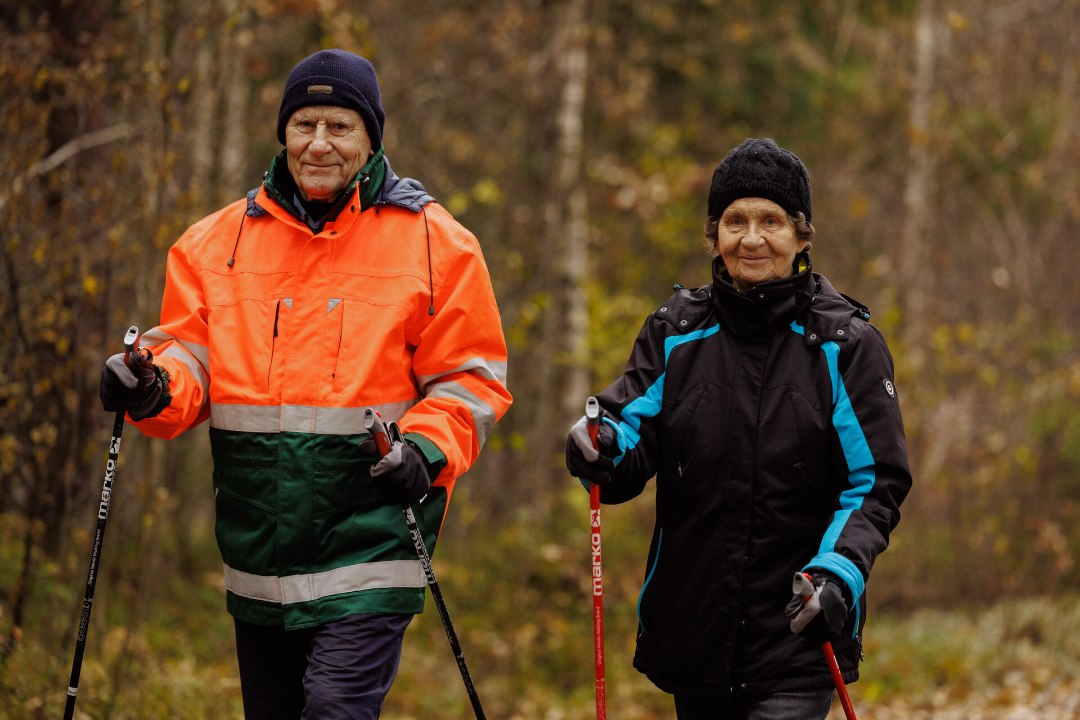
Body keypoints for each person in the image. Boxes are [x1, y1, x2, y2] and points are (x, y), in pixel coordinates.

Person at [99, 48, 512, 719]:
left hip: (371, 543)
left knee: (332, 710)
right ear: (283, 134)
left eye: (339, 126)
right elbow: (189, 355)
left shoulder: (439, 244)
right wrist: (149, 382)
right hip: (259, 553)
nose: (319, 143)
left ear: (371, 138)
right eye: (304, 125)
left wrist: (425, 450)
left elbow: (469, 381)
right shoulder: (214, 245)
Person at [565, 138, 911, 719]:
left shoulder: (845, 345)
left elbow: (876, 483)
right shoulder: (674, 331)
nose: (752, 238)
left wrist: (838, 574)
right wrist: (597, 445)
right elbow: (626, 432)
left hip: (798, 633)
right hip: (695, 632)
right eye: (735, 221)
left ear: (802, 236)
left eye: (771, 220)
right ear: (714, 235)